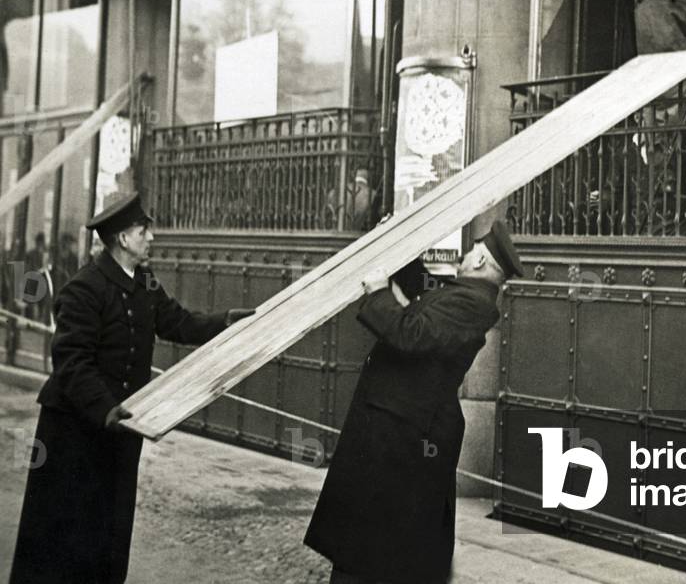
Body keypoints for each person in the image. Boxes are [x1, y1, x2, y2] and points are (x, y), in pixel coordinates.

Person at [9, 192, 255, 584]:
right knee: (65, 534)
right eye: (144, 231)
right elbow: (72, 361)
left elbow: (180, 323)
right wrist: (105, 408)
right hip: (74, 431)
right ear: (123, 239)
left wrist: (225, 321)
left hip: (120, 429)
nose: (151, 238)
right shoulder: (83, 289)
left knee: (108, 529)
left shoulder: (145, 283)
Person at [304, 220, 524, 584]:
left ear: (482, 262)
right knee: (378, 543)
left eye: (473, 250)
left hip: (404, 436)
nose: (467, 253)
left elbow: (411, 333)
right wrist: (398, 242)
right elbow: (424, 291)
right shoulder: (464, 294)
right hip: (399, 427)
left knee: (374, 545)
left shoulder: (473, 305)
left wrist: (377, 292)